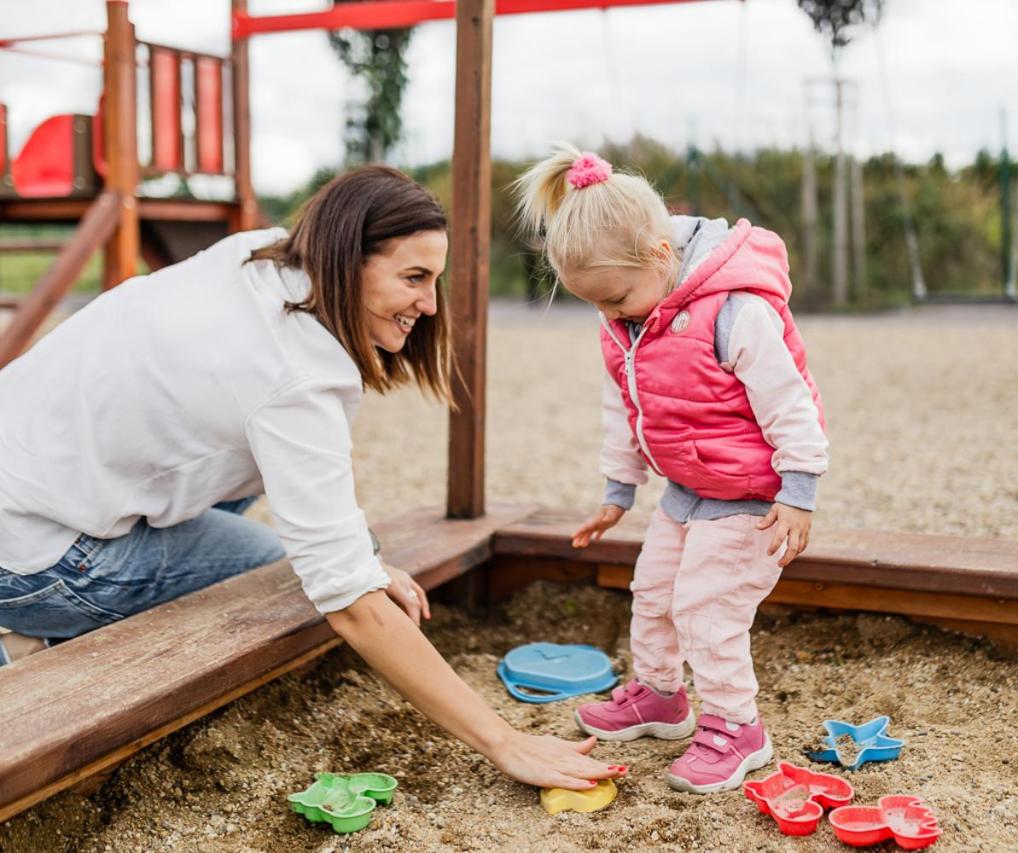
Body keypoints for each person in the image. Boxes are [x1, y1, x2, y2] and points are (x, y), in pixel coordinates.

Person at [0, 166, 621, 792]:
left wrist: (359, 554)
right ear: (346, 260)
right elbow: (349, 605)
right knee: (274, 573)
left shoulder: (262, 254)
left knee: (295, 517)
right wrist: (506, 742)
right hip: (32, 552)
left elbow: (307, 472)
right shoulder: (294, 379)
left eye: (434, 279)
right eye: (413, 278)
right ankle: (33, 638)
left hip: (31, 468)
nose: (431, 304)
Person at [513, 146, 828, 794]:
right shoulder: (625, 325)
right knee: (654, 592)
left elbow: (791, 399)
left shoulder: (737, 311)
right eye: (596, 306)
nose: (611, 316)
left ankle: (738, 726)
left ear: (660, 254)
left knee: (708, 608)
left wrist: (800, 489)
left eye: (617, 298)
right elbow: (624, 405)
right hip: (686, 490)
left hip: (751, 495)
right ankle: (660, 695)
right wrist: (618, 488)